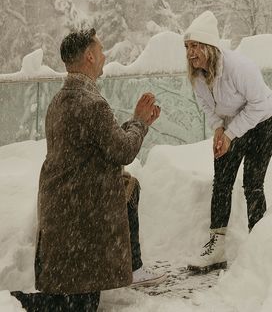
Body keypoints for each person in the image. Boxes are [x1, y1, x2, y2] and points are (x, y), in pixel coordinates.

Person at [11, 28, 164, 312]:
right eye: (101, 51)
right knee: (77, 303)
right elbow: (123, 151)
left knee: (71, 300)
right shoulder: (91, 103)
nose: (105, 57)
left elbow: (101, 144)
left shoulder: (60, 100)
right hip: (82, 219)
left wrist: (134, 123)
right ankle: (13, 302)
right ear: (90, 56)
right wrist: (140, 122)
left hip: (64, 213)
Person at [184, 11, 272, 273]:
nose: (191, 53)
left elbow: (258, 105)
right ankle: (216, 247)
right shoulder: (198, 76)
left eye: (196, 46)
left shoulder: (240, 67)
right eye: (188, 47)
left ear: (210, 47)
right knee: (222, 180)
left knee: (252, 182)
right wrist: (218, 128)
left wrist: (229, 134)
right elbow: (207, 105)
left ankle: (259, 245)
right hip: (231, 124)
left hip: (263, 123)